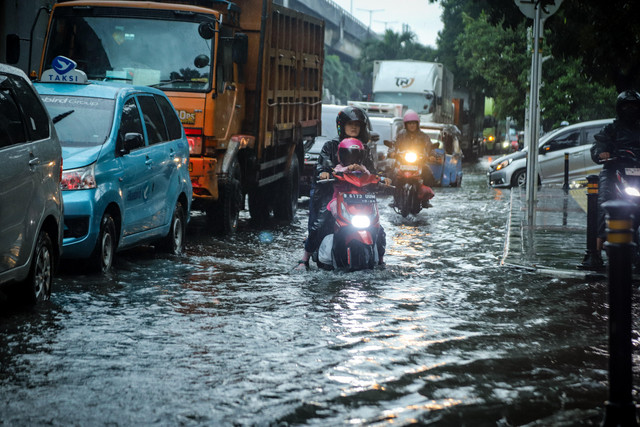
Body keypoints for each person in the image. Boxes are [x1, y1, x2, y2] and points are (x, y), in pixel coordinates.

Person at [296, 106, 384, 270]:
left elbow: (372, 171)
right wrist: (324, 173)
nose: (353, 127)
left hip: (359, 197)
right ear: (341, 125)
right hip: (332, 194)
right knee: (319, 224)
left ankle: (381, 260)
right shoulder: (330, 146)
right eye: (350, 124)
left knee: (378, 226)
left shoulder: (365, 149)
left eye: (357, 125)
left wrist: (380, 178)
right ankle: (305, 258)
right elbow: (321, 167)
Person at [590, 89, 640, 255]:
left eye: (634, 106)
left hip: (637, 174)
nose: (630, 110)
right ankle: (597, 246)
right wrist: (601, 153)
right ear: (620, 108)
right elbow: (597, 146)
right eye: (626, 106)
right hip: (615, 171)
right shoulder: (611, 129)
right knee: (603, 200)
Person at [392, 109, 436, 204]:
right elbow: (394, 145)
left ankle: (425, 198)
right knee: (393, 172)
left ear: (417, 124)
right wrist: (392, 152)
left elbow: (430, 147)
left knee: (428, 172)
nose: (412, 125)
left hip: (419, 162)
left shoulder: (423, 136)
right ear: (406, 125)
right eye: (409, 123)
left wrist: (432, 155)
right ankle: (395, 198)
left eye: (414, 123)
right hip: (403, 162)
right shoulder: (401, 135)